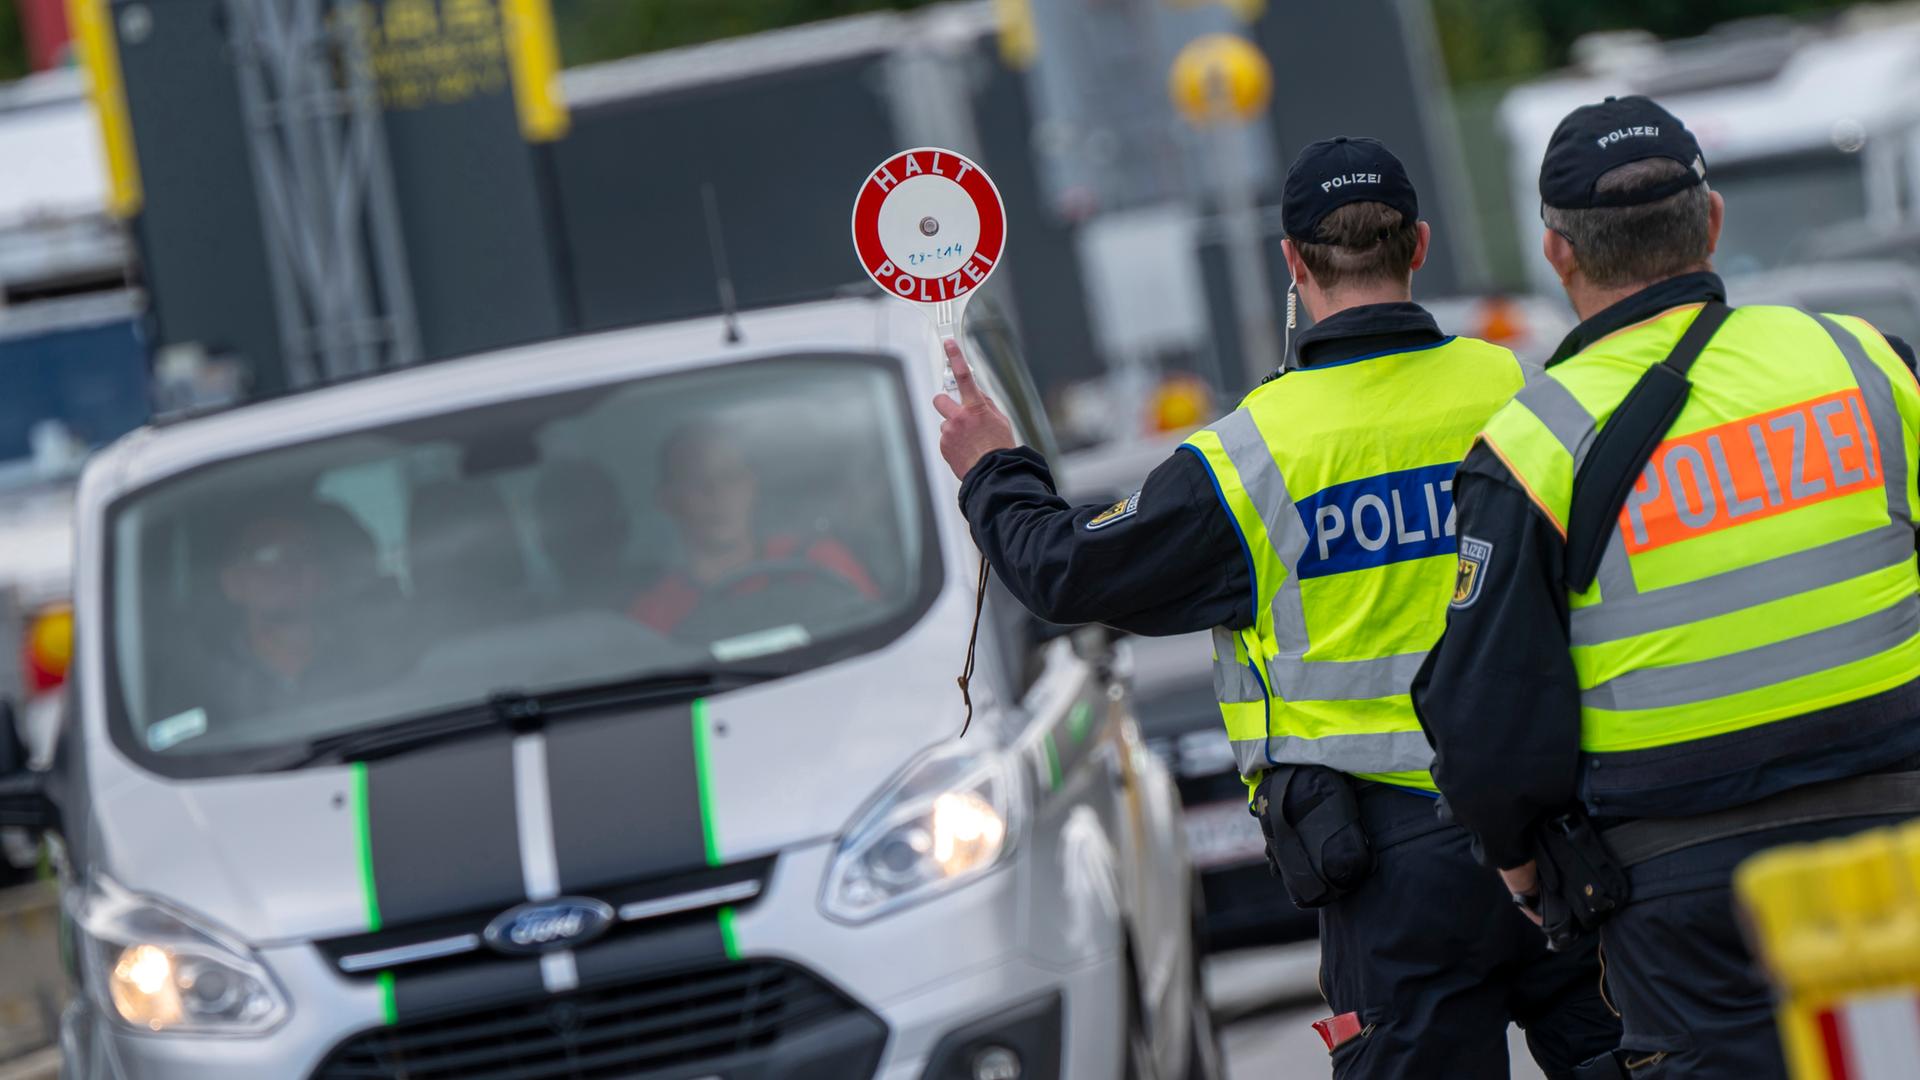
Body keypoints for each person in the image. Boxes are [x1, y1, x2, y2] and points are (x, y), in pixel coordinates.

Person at [937, 137, 1619, 1078]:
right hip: (1559, 830)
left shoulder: (1249, 456)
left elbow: (1065, 573)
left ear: (1293, 263)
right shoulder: (1521, 394)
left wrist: (993, 467)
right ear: (1417, 244)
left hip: (1388, 873)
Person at [1413, 96, 1920, 1079]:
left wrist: (1522, 861)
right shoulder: (1862, 363)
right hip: (1898, 832)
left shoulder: (1534, 443)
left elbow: (1487, 712)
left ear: (1559, 255)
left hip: (1686, 887)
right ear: (1713, 219)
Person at [630, 425, 879, 635]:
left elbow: (876, 640)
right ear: (667, 500)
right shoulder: (652, 618)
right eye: (695, 481)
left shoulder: (819, 560)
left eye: (729, 477)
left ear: (752, 485)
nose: (717, 494)